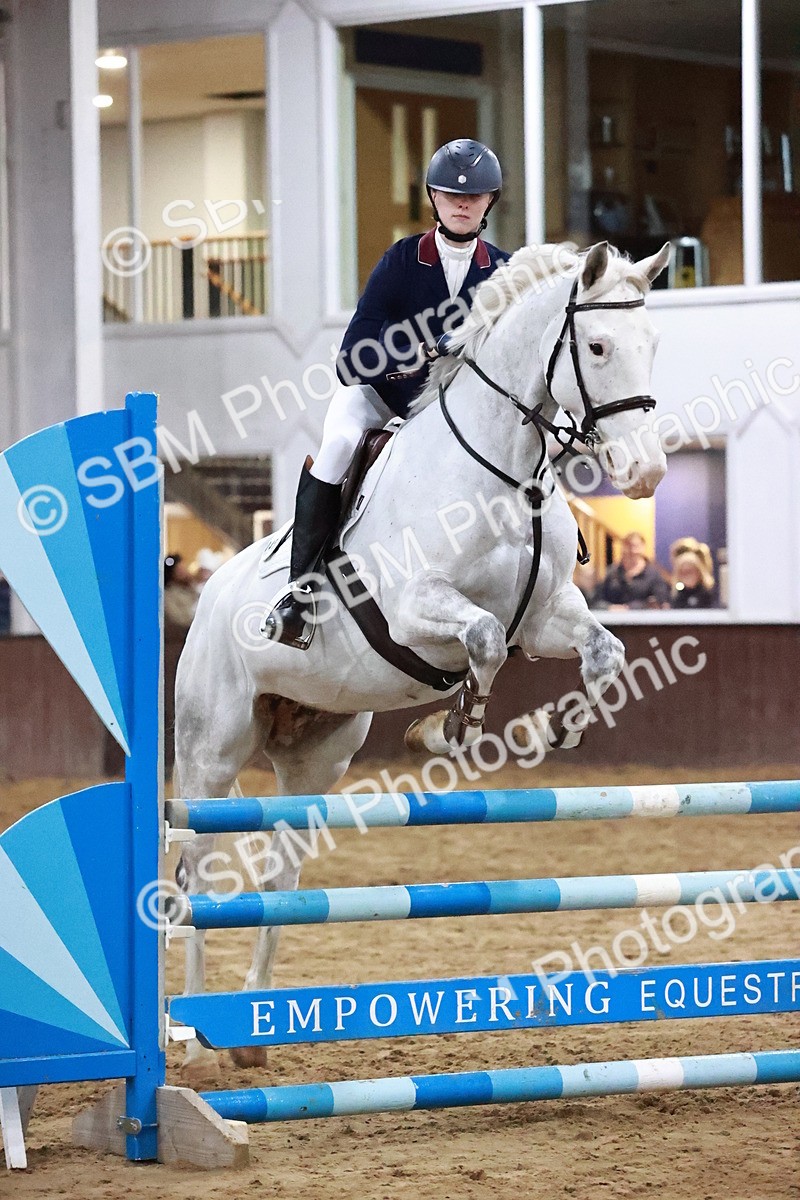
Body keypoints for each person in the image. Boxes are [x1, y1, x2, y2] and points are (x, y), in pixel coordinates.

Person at [262, 138, 509, 649]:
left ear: (490, 202)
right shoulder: (401, 260)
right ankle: (299, 595)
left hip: (449, 416)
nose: (462, 204)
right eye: (450, 194)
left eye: (474, 196)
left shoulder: (503, 272)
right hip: (380, 400)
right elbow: (351, 357)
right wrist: (416, 352)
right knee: (334, 449)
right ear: (434, 199)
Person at [592, 532, 670, 610]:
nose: (632, 550)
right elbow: (598, 600)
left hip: (644, 620)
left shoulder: (654, 575)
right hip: (613, 619)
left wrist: (630, 608)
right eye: (628, 546)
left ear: (643, 548)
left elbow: (659, 601)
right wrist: (610, 607)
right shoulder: (611, 573)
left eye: (636, 546)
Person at [670, 537, 716, 609]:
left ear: (699, 572)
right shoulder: (677, 595)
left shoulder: (708, 594)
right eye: (682, 572)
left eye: (689, 571)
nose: (686, 576)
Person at [163, 554, 198, 635]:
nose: (184, 572)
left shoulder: (191, 587)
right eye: (179, 570)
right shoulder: (168, 595)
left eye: (184, 568)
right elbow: (177, 619)